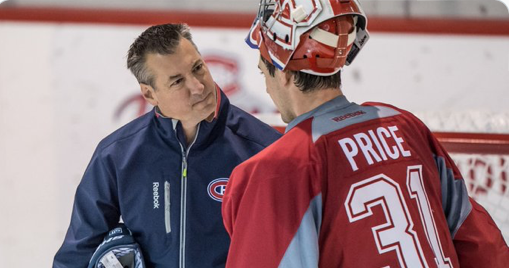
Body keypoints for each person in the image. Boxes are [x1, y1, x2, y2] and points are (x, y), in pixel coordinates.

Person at [222, 0, 509, 267]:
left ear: (282, 72)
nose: (268, 89)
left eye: (264, 73)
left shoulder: (276, 169)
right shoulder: (405, 126)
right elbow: (480, 243)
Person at [53, 23, 281, 267]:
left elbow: (293, 246)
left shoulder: (263, 150)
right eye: (177, 81)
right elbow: (78, 252)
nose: (198, 86)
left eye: (198, 68)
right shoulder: (116, 156)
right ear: (150, 94)